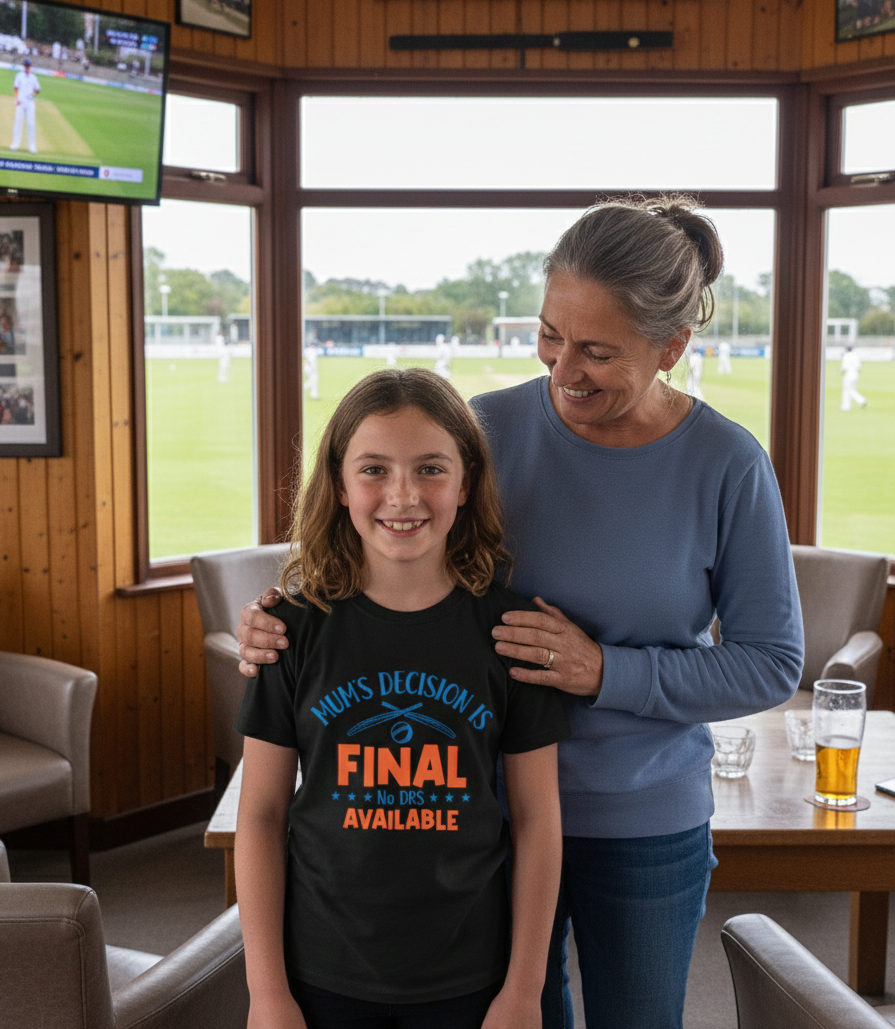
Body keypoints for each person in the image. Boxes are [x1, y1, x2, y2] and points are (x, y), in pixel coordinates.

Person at [236, 196, 804, 1029]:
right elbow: (392, 541)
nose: (563, 368)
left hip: (641, 818)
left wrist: (603, 671)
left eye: (596, 351)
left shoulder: (727, 463)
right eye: (549, 334)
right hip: (480, 813)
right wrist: (278, 619)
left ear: (672, 346)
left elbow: (770, 661)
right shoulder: (488, 428)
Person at [235, 367, 569, 1029]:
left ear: (466, 483)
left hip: (470, 974)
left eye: (430, 469)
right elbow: (262, 817)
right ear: (339, 484)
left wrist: (524, 990)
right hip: (320, 970)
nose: (403, 495)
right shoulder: (288, 633)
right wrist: (267, 993)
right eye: (374, 470)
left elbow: (537, 820)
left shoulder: (513, 634)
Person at [10, 58, 40, 155]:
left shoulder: (34, 78)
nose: (27, 68)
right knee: (18, 123)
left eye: (28, 66)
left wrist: (32, 94)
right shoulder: (19, 76)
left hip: (30, 102)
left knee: (31, 124)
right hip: (21, 102)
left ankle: (32, 146)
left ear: (30, 67)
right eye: (26, 66)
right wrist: (17, 98)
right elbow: (16, 88)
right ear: (24, 67)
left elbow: (37, 89)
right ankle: (15, 144)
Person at [840, 345, 867, 411]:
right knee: (851, 390)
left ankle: (846, 406)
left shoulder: (846, 356)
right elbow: (859, 368)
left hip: (848, 374)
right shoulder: (856, 356)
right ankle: (861, 400)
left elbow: (844, 368)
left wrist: (843, 373)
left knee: (847, 391)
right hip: (855, 374)